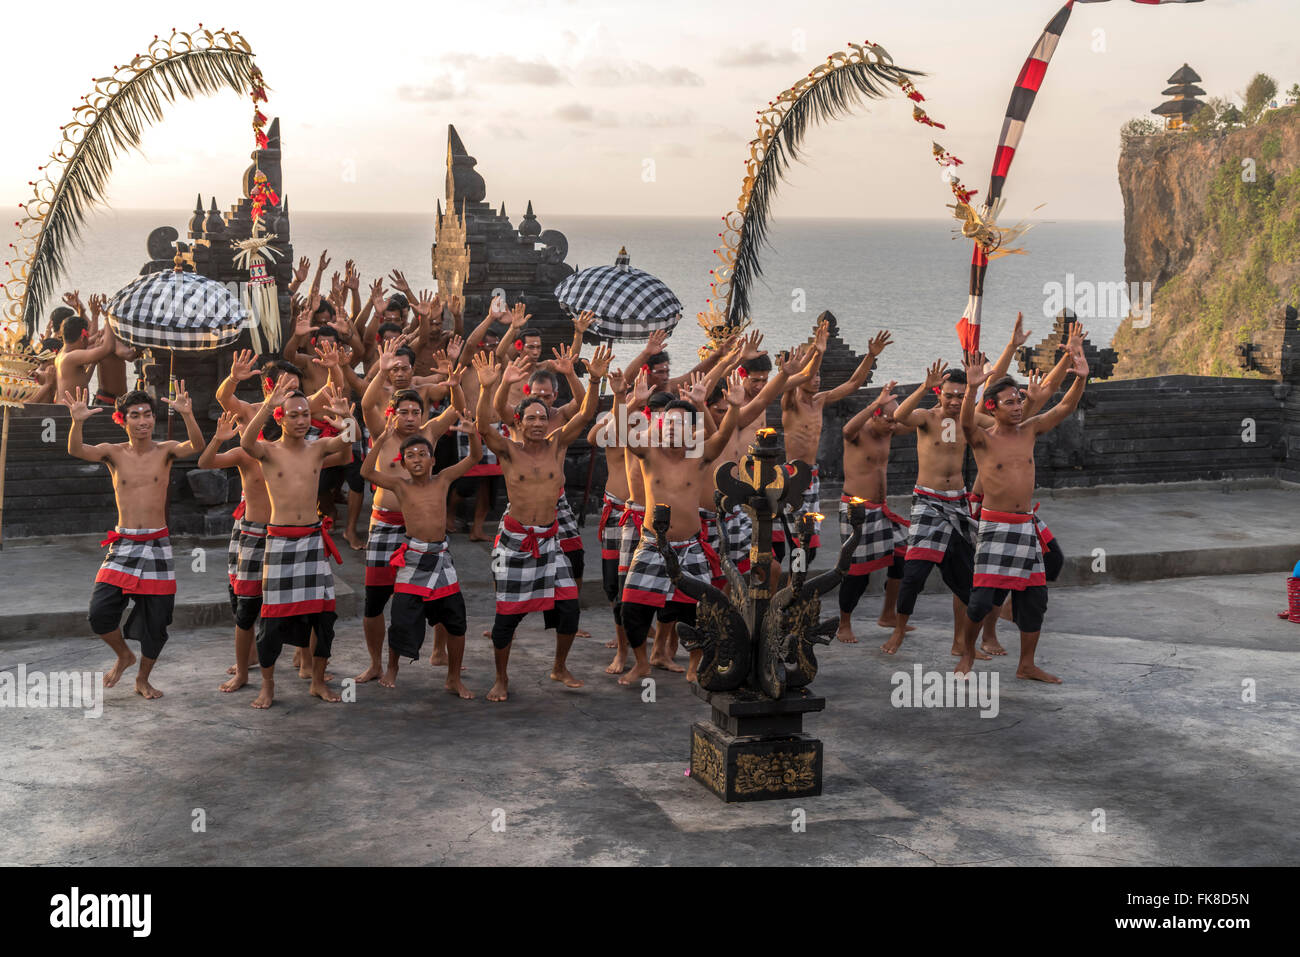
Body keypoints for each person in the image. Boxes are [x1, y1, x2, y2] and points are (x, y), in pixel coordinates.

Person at [472, 345, 613, 702]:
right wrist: (493, 386)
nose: (537, 424)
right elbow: (482, 426)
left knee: (568, 609)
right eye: (530, 419)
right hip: (517, 542)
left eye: (542, 418)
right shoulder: (508, 449)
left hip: (550, 541)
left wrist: (593, 380)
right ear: (518, 422)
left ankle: (560, 666)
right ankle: (501, 678)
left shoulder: (557, 444)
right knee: (508, 618)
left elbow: (585, 414)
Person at [956, 345, 1089, 681]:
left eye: (1019, 401)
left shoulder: (1029, 430)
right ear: (992, 407)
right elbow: (965, 422)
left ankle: (1026, 664)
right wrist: (972, 386)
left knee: (1035, 599)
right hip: (995, 527)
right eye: (1010, 402)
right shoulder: (982, 439)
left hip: (1025, 525)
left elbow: (1064, 407)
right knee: (981, 601)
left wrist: (1081, 379)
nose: (1018, 407)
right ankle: (968, 651)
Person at [64, 384, 204, 699]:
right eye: (135, 416)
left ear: (154, 418)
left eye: (147, 415)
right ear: (123, 420)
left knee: (157, 620)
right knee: (99, 613)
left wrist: (187, 413)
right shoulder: (113, 453)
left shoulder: (166, 449)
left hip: (157, 544)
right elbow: (76, 450)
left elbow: (196, 445)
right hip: (123, 544)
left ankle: (143, 678)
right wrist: (77, 421)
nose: (142, 421)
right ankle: (124, 655)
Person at [620, 369, 745, 687]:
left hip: (689, 545)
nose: (673, 428)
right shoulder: (649, 453)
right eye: (668, 422)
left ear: (693, 430)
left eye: (681, 424)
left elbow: (722, 436)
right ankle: (641, 663)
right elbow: (623, 432)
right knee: (632, 608)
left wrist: (732, 406)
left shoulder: (699, 455)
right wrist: (634, 403)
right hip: (651, 544)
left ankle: (695, 664)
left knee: (695, 612)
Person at [239, 377, 354, 708]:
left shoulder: (318, 448)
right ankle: (268, 685)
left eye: (305, 414)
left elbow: (347, 449)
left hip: (312, 541)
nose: (302, 420)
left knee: (324, 618)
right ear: (281, 418)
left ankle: (317, 681)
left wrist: (347, 419)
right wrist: (266, 405)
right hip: (279, 542)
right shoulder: (268, 452)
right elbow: (247, 443)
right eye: (294, 415)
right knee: (272, 620)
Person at [356, 347, 465, 685]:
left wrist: (454, 381)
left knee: (441, 592)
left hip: (422, 531)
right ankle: (377, 663)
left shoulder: (430, 432)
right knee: (375, 599)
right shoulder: (382, 431)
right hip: (385, 524)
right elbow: (364, 405)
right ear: (394, 413)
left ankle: (439, 651)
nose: (410, 417)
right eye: (403, 412)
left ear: (422, 413)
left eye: (416, 411)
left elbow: (459, 409)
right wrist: (382, 368)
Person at [360, 420, 481, 696]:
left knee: (456, 619)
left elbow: (474, 457)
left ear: (433, 459)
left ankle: (453, 678)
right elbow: (366, 471)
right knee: (401, 618)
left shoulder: (444, 479)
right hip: (413, 557)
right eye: (410, 456)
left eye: (422, 454)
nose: (416, 459)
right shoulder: (400, 486)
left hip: (440, 557)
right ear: (403, 464)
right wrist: (380, 438)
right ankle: (392, 667)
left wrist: (474, 435)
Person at [776, 324, 891, 572]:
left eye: (820, 376)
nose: (817, 380)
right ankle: (792, 589)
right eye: (813, 375)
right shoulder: (790, 402)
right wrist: (817, 352)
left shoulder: (820, 401)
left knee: (811, 546)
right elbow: (801, 377)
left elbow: (852, 384)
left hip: (813, 477)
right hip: (793, 477)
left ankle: (796, 587)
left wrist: (871, 355)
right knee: (799, 541)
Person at [835, 381, 915, 643]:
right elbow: (846, 429)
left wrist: (928, 389)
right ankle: (844, 623)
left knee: (902, 558)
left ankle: (888, 614)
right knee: (857, 572)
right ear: (875, 416)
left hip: (882, 511)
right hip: (856, 509)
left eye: (895, 422)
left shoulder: (887, 429)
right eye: (890, 421)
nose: (894, 427)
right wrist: (874, 404)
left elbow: (915, 422)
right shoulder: (859, 433)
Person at [199, 411, 269, 692]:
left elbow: (340, 456)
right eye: (242, 423)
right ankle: (245, 666)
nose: (245, 428)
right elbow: (205, 462)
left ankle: (307, 661)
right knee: (245, 599)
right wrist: (218, 438)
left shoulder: (287, 451)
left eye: (251, 423)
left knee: (293, 601)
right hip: (250, 531)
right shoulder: (242, 453)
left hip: (287, 532)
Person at [54, 315, 117, 405]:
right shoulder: (71, 357)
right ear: (82, 338)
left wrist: (93, 362)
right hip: (68, 412)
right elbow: (108, 348)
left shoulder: (62, 354)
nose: (88, 344)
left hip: (65, 409)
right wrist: (109, 318)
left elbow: (84, 380)